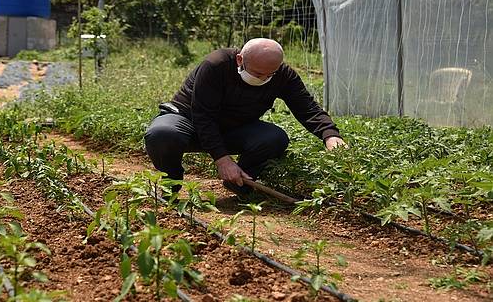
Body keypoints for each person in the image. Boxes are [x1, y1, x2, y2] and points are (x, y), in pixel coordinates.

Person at [144, 38, 346, 195]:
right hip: (189, 122)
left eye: (270, 75)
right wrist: (222, 159)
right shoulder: (217, 65)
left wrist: (329, 134)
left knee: (275, 138)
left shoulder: (282, 75)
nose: (264, 79)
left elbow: (306, 107)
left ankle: (241, 183)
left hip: (233, 130)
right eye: (258, 74)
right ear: (240, 59)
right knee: (162, 133)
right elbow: (203, 115)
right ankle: (171, 181)